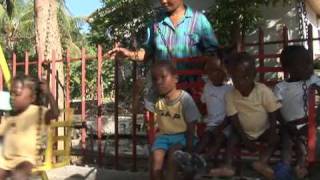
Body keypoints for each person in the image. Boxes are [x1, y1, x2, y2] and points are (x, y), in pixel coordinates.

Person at [210, 52, 281, 179]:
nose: (240, 82)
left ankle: (262, 162)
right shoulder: (230, 95)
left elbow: (273, 112)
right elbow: (234, 120)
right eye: (236, 78)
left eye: (245, 77)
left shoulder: (263, 91)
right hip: (243, 131)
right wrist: (244, 139)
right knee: (232, 138)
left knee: (275, 140)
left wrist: (273, 131)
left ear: (254, 75)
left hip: (263, 130)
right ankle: (228, 166)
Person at [174, 55, 232, 172]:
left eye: (217, 71)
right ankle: (190, 157)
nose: (213, 75)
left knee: (219, 139)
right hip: (211, 124)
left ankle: (204, 158)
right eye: (210, 72)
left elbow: (232, 113)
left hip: (226, 124)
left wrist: (221, 127)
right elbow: (203, 103)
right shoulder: (207, 87)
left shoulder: (229, 89)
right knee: (205, 138)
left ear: (224, 71)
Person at [0, 75, 59, 180]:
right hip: (5, 159)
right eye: (11, 94)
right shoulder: (9, 116)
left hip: (26, 159)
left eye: (17, 94)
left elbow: (55, 113)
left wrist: (48, 94)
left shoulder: (38, 112)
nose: (12, 98)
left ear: (32, 98)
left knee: (18, 176)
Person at [273, 45, 320, 178]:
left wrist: (315, 122)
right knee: (287, 143)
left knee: (302, 142)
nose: (310, 67)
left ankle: (301, 166)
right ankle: (285, 166)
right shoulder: (280, 87)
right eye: (305, 65)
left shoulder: (312, 80)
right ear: (288, 69)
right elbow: (275, 110)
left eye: (310, 63)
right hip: (288, 125)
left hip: (307, 124)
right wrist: (285, 124)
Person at [149, 61, 201, 180]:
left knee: (173, 155)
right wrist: (137, 94)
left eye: (163, 77)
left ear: (175, 78)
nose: (158, 82)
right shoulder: (156, 98)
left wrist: (189, 149)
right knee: (156, 160)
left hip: (183, 136)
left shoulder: (184, 98)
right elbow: (136, 110)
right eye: (154, 79)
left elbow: (191, 125)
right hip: (163, 137)